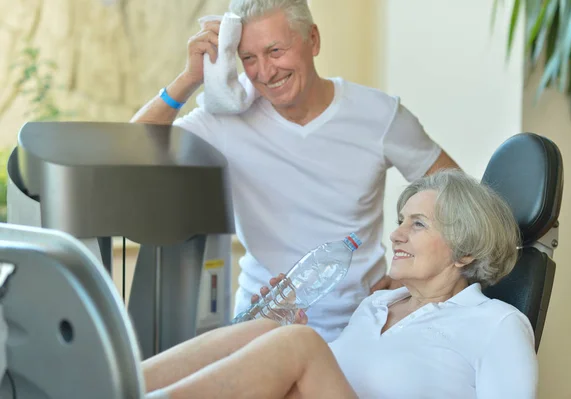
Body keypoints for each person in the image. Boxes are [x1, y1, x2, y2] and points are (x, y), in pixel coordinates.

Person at [131, 0, 459, 342]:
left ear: (313, 40)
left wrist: (414, 277)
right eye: (248, 58)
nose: (265, 72)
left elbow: (460, 197)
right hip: (262, 324)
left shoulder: (379, 115)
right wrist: (187, 80)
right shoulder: (227, 120)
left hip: (362, 327)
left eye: (275, 50)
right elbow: (127, 150)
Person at [142, 169, 538, 399]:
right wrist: (276, 340)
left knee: (299, 343)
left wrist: (293, 344)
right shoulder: (376, 307)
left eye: (418, 224)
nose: (396, 235)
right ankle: (113, 384)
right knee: (267, 329)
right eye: (400, 220)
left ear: (465, 252)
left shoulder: (498, 325)